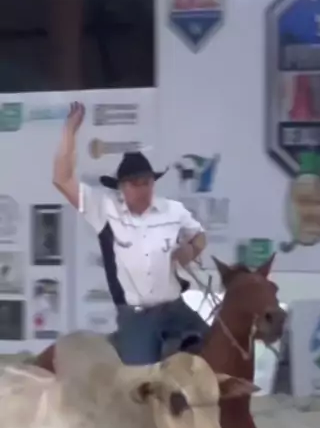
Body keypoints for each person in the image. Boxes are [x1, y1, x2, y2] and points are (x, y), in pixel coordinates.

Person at [52, 101, 209, 364]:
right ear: (121, 187)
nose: (142, 189)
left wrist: (190, 249)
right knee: (140, 379)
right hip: (137, 317)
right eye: (134, 183)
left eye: (146, 182)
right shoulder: (104, 210)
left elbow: (199, 235)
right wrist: (70, 131)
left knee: (218, 349)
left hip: (176, 309)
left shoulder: (173, 210)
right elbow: (62, 179)